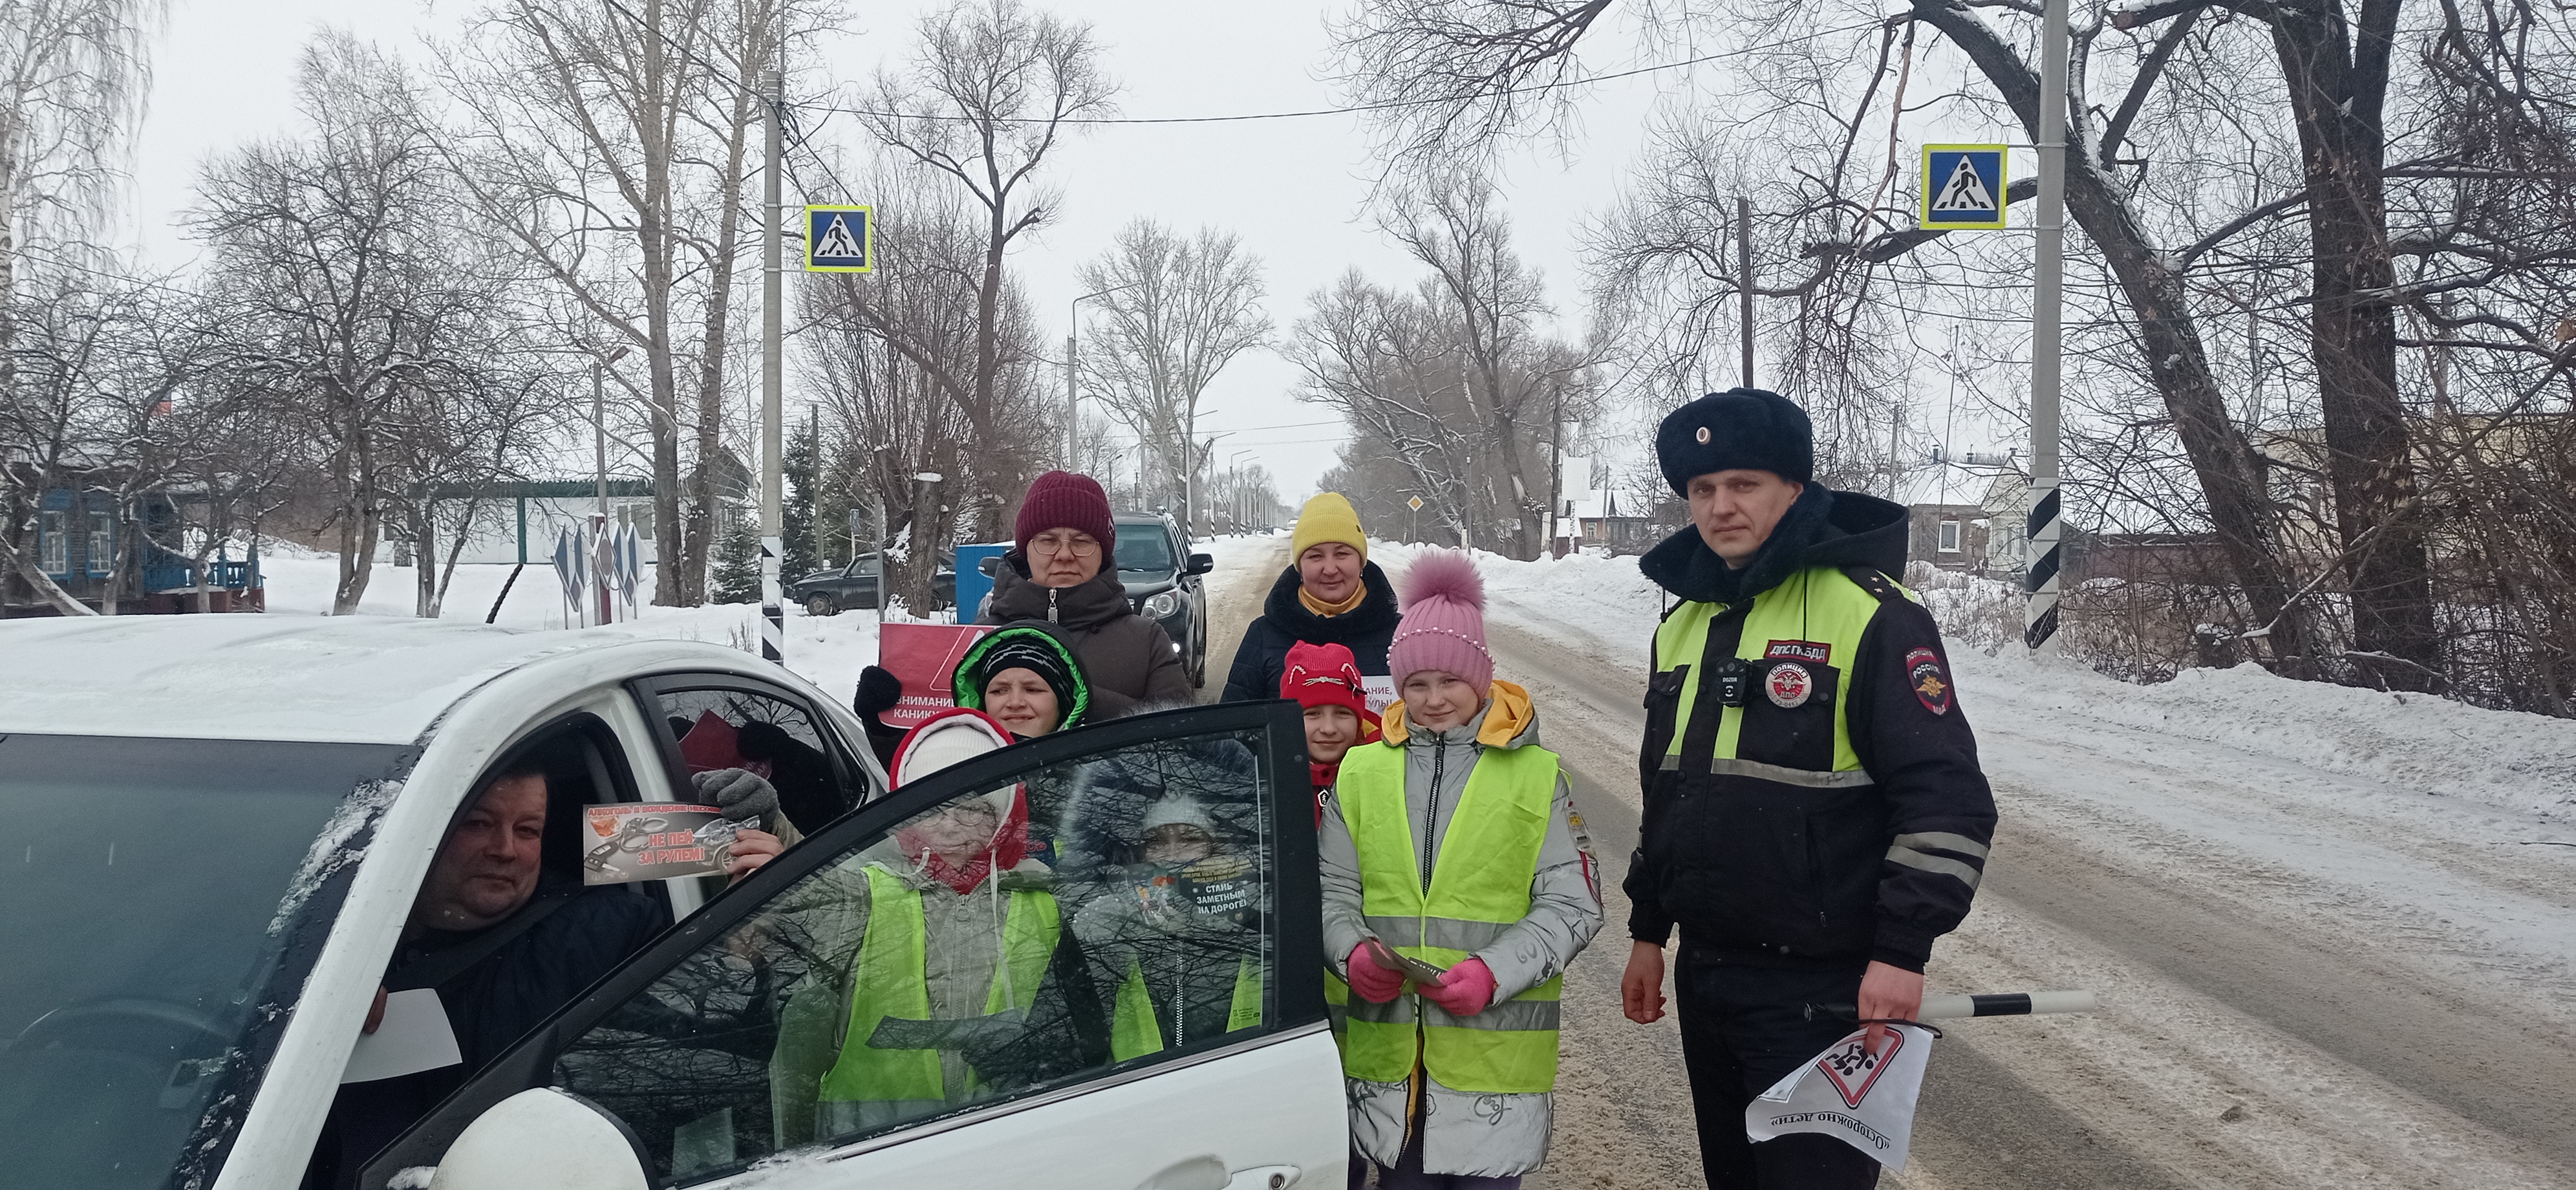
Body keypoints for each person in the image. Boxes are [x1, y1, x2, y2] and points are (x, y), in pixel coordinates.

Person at [1618, 389, 1997, 1190]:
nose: (1721, 507)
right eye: (1702, 490)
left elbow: (1947, 799)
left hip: (1824, 991)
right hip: (1709, 974)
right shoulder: (1682, 625)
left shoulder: (1870, 614)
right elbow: (1668, 794)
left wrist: (1902, 951)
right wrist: (1649, 928)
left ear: (1794, 487)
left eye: (1744, 484)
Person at [303, 763, 781, 1189]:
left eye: (529, 830)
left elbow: (726, 1052)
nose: (506, 849)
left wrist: (745, 949)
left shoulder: (610, 933)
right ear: (418, 832)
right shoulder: (311, 950)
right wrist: (313, 1011)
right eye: (478, 823)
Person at [1321, 550, 1601, 1189]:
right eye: (1416, 683)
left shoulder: (1536, 777)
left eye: (1450, 680)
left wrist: (1493, 971)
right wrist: (1351, 954)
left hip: (1493, 1068)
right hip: (1391, 1063)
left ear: (1482, 679)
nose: (1434, 698)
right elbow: (1330, 889)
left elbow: (1573, 904)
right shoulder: (1361, 773)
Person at [768, 709, 1101, 1143]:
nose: (948, 826)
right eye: (931, 806)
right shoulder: (863, 895)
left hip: (1011, 1145)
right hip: (870, 1156)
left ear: (1002, 817)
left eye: (972, 810)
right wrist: (768, 829)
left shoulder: (1050, 905)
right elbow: (792, 909)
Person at [1070, 795, 1267, 1061]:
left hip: (1250, 1070)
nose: (1174, 853)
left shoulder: (1254, 910)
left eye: (1190, 839)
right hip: (1142, 1081)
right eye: (1156, 840)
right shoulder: (1113, 917)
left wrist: (1209, 921)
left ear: (1215, 848)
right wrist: (1126, 917)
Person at [981, 470, 1190, 713]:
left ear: (1103, 554)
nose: (1065, 555)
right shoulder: (985, 639)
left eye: (1082, 542)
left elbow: (1178, 742)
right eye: (1048, 541)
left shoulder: (1147, 642)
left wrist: (1071, 695)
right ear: (1026, 550)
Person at [1220, 492, 1400, 707]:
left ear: (1361, 562)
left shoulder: (1399, 635)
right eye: (1315, 556)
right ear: (1300, 567)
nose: (1330, 569)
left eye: (1342, 554)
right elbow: (1235, 730)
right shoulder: (1263, 636)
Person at [952, 622, 1092, 739]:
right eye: (999, 691)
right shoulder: (956, 759)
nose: (1015, 703)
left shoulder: (1094, 763)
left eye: (1032, 690)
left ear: (1064, 702)